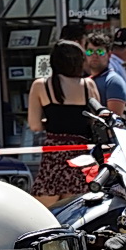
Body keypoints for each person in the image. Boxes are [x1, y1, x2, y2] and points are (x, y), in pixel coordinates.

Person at [27, 39, 99, 206]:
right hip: (81, 154)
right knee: (78, 210)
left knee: (44, 212)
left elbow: (35, 125)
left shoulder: (41, 85)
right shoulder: (88, 85)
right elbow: (95, 121)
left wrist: (52, 122)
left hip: (54, 153)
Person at [85, 32, 126, 115]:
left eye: (100, 52)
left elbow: (113, 121)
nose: (94, 55)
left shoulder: (113, 81)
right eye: (90, 51)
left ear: (109, 55)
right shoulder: (87, 80)